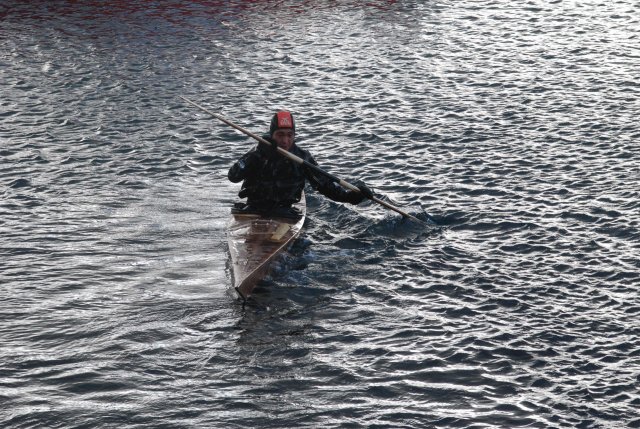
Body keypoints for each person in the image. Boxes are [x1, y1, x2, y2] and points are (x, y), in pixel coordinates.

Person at [228, 111, 374, 215]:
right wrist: (259, 154)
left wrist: (351, 197)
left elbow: (325, 185)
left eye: (289, 135)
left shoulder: (302, 157)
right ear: (272, 135)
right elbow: (233, 176)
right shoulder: (258, 151)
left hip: (284, 212)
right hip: (252, 210)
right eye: (280, 135)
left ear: (294, 136)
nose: (285, 141)